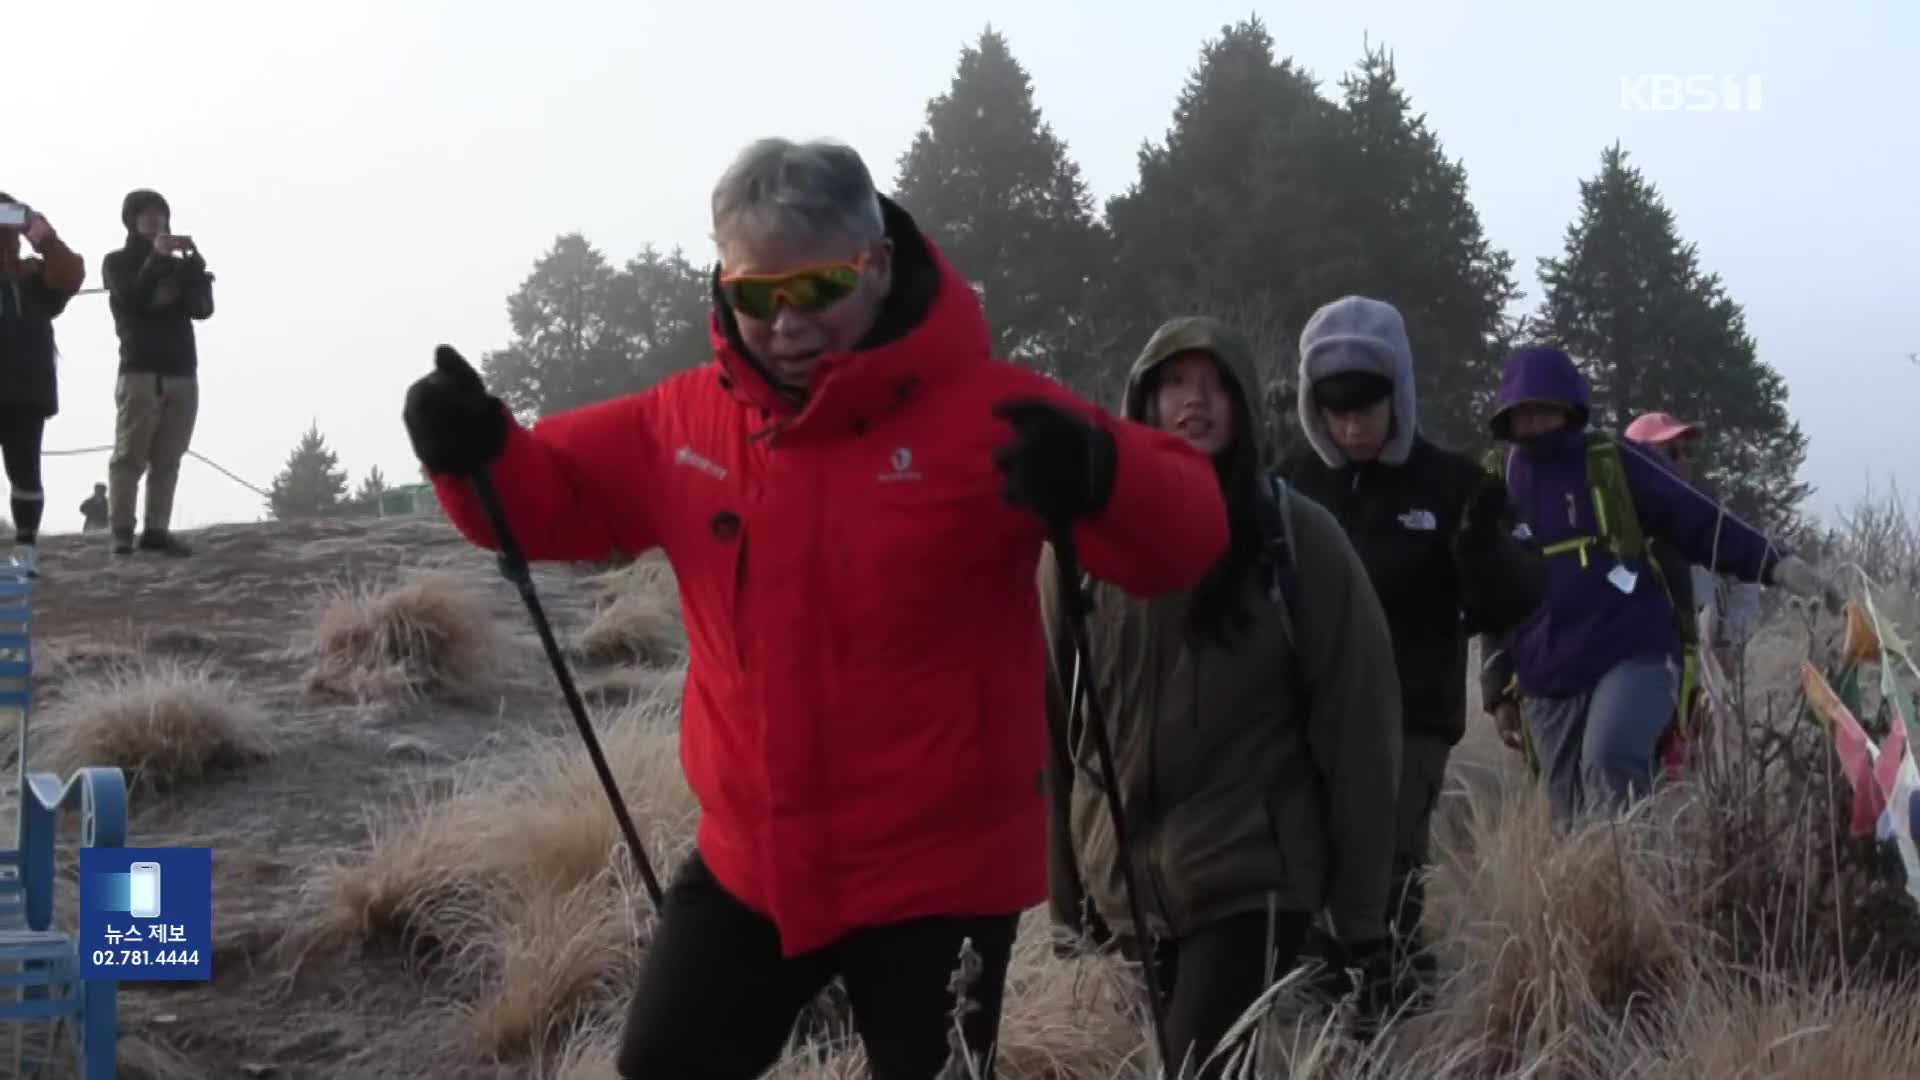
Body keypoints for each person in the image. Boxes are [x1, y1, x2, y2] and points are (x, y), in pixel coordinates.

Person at [400, 137, 1229, 1080]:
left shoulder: (992, 415)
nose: (786, 322)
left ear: (876, 264)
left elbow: (1188, 531)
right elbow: (548, 496)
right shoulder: (685, 423)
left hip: (940, 882)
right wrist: (471, 450)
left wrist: (1104, 476)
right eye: (757, 294)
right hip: (750, 867)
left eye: (816, 286)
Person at [1043, 315, 1401, 1079]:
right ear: (1142, 400)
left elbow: (1360, 732)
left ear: (1243, 405)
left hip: (1254, 876)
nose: (1193, 403)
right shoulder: (1079, 547)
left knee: (1196, 1067)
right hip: (1125, 887)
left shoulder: (1298, 541)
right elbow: (1048, 730)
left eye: (1213, 386)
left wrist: (1358, 913)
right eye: (1174, 383)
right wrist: (1065, 899)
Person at [1280, 295, 1545, 996]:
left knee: (1386, 870)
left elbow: (1514, 601)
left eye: (1367, 404)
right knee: (1303, 872)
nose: (1352, 422)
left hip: (1410, 717)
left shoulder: (1457, 486)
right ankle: (1321, 1014)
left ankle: (1391, 1012)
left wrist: (1483, 549)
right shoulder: (1285, 485)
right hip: (1302, 719)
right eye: (1335, 407)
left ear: (1399, 393)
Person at [1476, 346, 1836, 829]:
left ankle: (1641, 887)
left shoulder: (1612, 461)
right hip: (1545, 678)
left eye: (1546, 408)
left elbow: (1699, 520)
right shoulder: (1497, 487)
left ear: (1570, 408)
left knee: (1611, 755)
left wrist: (1778, 564)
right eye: (1524, 412)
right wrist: (1497, 691)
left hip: (1632, 653)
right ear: (1507, 418)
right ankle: (1606, 897)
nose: (1537, 421)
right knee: (1569, 817)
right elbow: (1490, 596)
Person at [101, 188, 213, 558]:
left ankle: (157, 529)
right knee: (129, 455)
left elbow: (203, 311)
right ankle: (121, 531)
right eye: (145, 213)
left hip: (182, 369)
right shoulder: (117, 262)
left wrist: (196, 271)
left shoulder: (179, 267)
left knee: (169, 457)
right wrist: (155, 259)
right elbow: (133, 299)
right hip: (139, 369)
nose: (153, 219)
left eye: (159, 213)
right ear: (131, 220)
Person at [1623, 411, 1763, 675]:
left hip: (1703, 670)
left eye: (1689, 452)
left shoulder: (1708, 518)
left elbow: (1747, 578)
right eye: (1674, 452)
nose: (1685, 461)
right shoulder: (1608, 522)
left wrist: (1730, 639)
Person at [0, 192, 86, 578]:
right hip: (27, 388)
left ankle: (26, 550)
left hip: (26, 390)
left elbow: (70, 277)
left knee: (25, 472)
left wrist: (44, 236)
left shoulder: (34, 277)